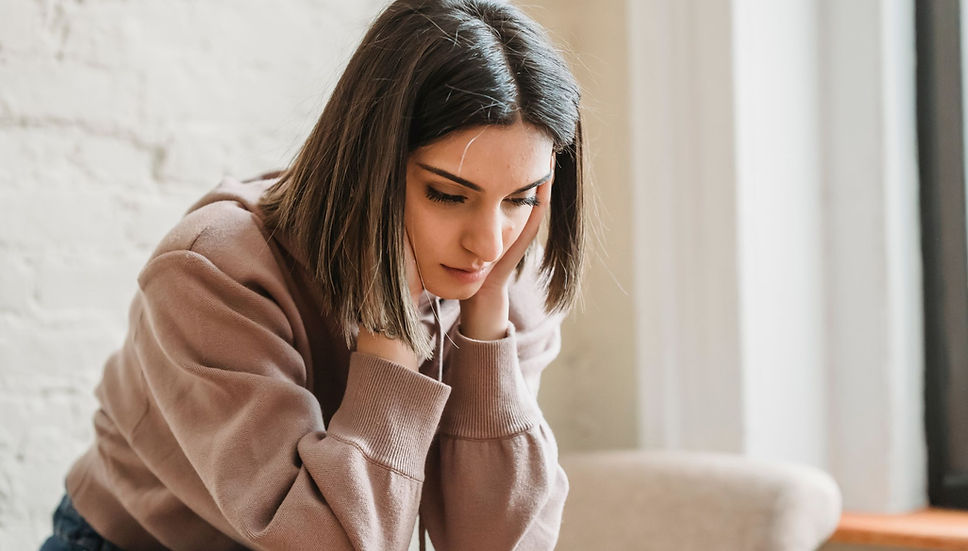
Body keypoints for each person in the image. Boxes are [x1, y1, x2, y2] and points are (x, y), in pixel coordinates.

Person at [40, 0, 585, 549]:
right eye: (447, 193)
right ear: (368, 159)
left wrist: (487, 326)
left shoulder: (508, 282)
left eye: (520, 198)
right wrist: (388, 339)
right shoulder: (212, 274)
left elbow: (493, 542)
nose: (489, 244)